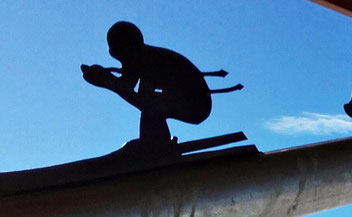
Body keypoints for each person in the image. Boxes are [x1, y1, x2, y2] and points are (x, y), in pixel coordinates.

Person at [82, 21, 239, 151]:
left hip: (196, 104)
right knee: (150, 103)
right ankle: (153, 142)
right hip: (188, 99)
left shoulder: (146, 60)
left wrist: (108, 82)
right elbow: (127, 87)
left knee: (150, 104)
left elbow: (142, 101)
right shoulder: (137, 58)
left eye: (115, 50)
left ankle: (153, 143)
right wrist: (108, 80)